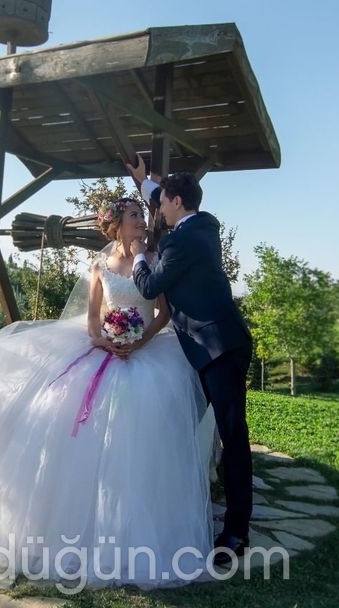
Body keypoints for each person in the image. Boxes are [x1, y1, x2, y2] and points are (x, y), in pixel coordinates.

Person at [0, 197, 214, 591]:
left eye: (142, 215)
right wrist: (105, 340)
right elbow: (93, 318)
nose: (142, 221)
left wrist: (137, 342)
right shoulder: (100, 267)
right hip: (104, 349)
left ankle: (137, 528)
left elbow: (161, 313)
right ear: (116, 226)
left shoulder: (155, 258)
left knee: (138, 439)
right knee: (63, 417)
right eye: (134, 216)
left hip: (147, 351)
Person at [126, 155, 254, 565]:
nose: (157, 210)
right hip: (218, 346)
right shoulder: (204, 225)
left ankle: (236, 531)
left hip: (217, 347)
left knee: (233, 437)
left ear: (177, 202)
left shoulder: (178, 242)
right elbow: (165, 196)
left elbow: (148, 287)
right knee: (226, 435)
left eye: (162, 202)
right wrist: (146, 183)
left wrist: (139, 254)